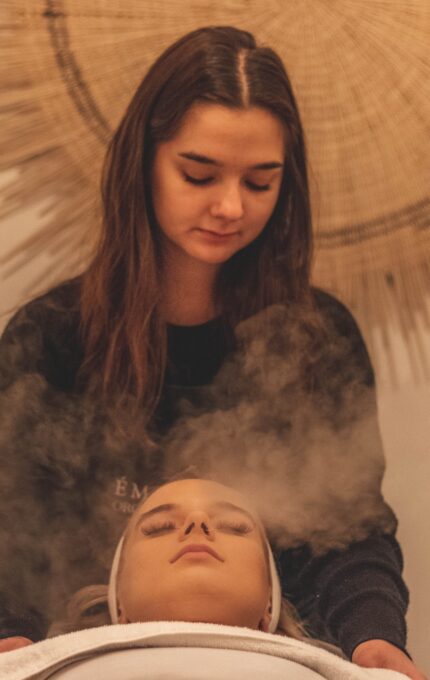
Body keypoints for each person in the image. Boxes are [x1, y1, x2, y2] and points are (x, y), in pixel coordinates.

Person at [0, 24, 425, 680]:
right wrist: (13, 640)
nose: (230, 207)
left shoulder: (318, 340)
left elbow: (351, 529)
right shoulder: (52, 337)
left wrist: (374, 642)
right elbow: (13, 525)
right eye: (198, 174)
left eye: (261, 183)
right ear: (143, 161)